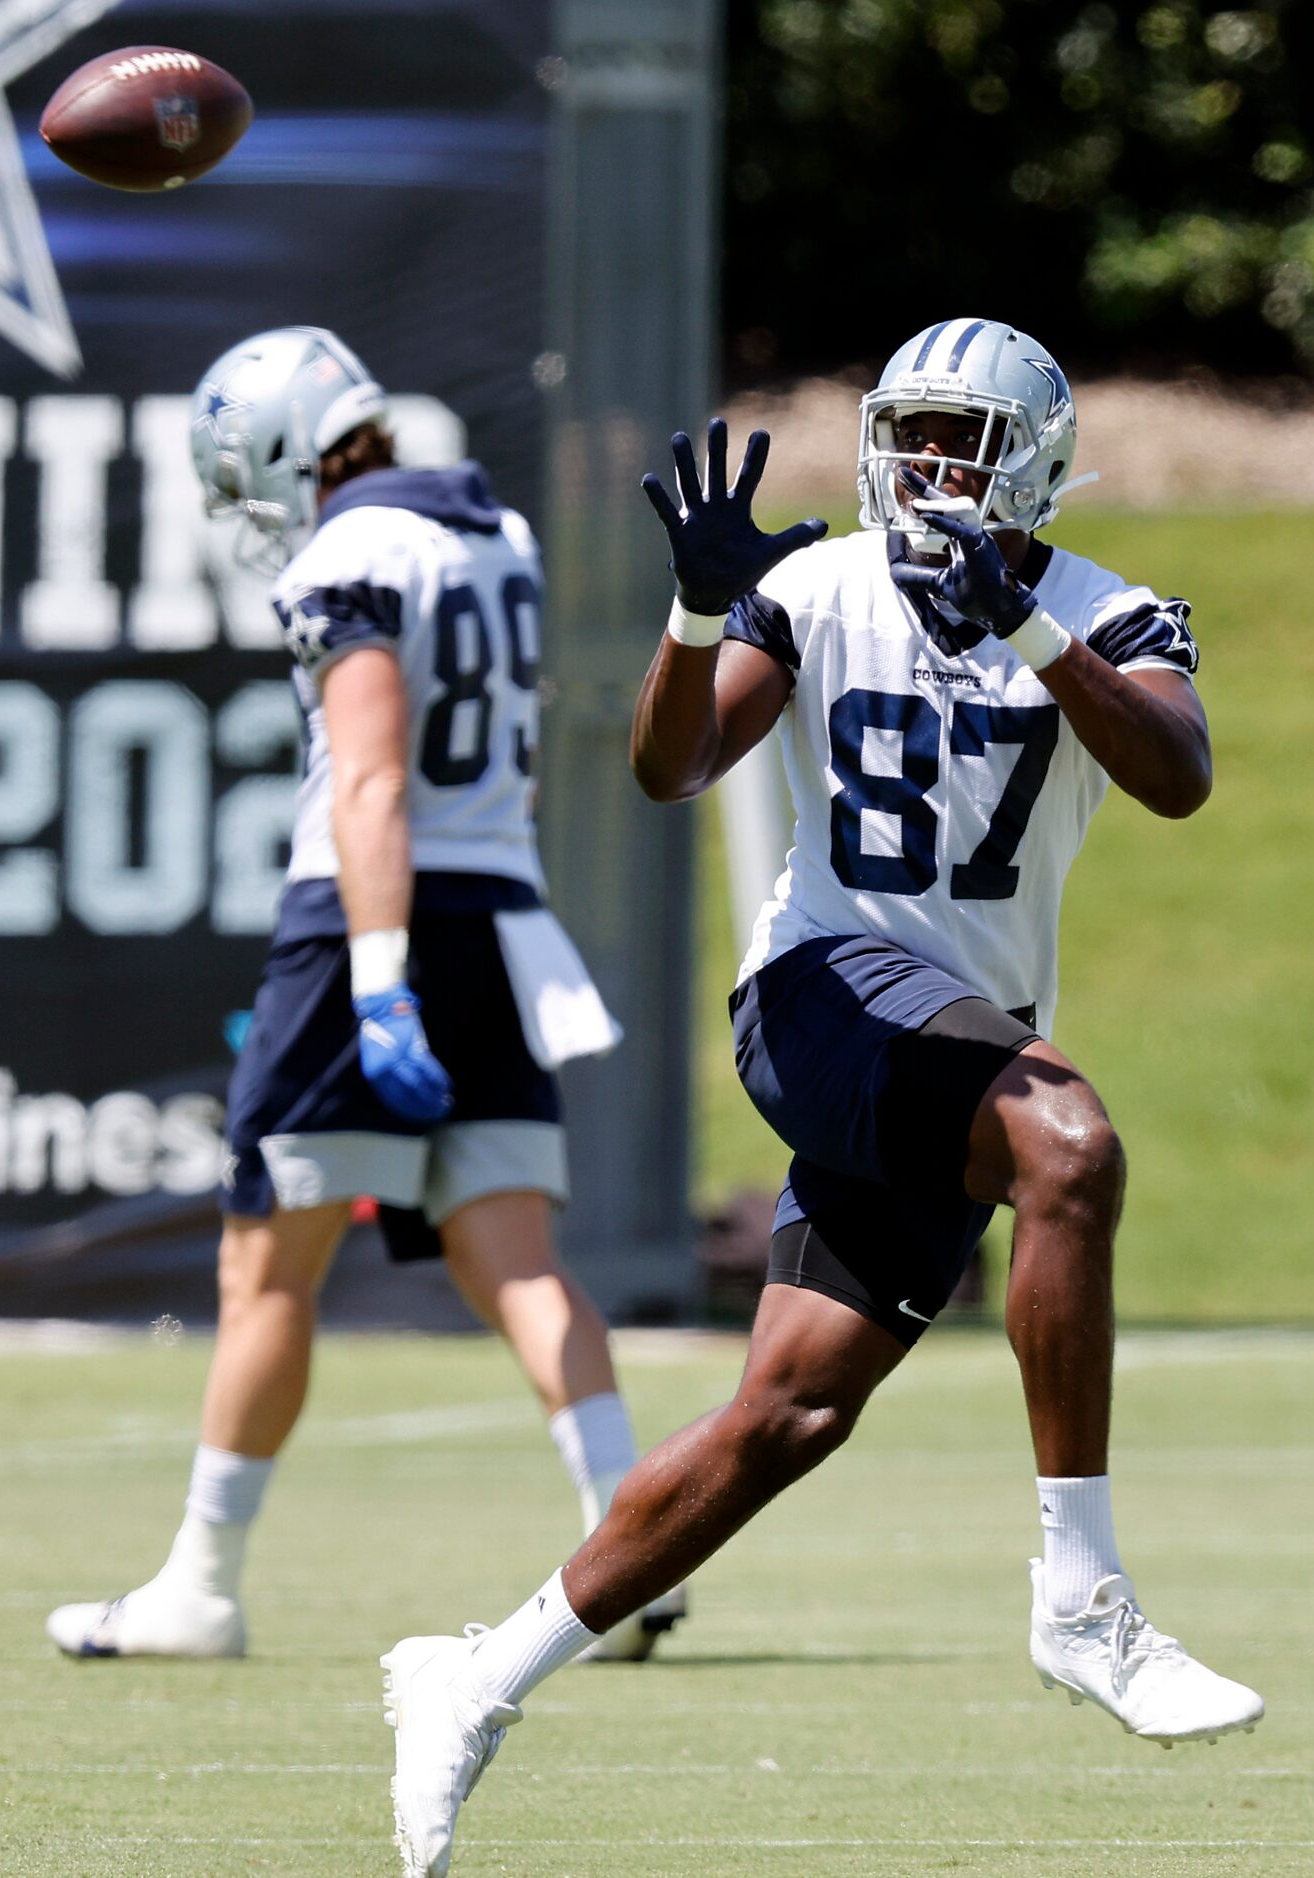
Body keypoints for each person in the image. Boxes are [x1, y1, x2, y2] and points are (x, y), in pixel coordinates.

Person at [380, 318, 1264, 1876]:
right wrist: (692, 606)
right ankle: (1084, 1597)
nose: (931, 469)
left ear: (1038, 463)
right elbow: (673, 766)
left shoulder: (1106, 609)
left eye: (964, 443)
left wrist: (1040, 639)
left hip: (958, 1046)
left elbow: (1181, 775)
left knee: (787, 1411)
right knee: (1072, 1149)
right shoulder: (814, 585)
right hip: (821, 998)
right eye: (912, 434)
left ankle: (475, 1675)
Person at [45, 325, 684, 1665]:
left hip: (366, 923)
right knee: (512, 1252)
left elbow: (374, 782)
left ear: (287, 449)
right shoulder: (496, 528)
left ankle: (201, 1585)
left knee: (265, 1263)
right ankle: (633, 1542)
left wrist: (379, 984)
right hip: (500, 913)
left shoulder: (350, 554)